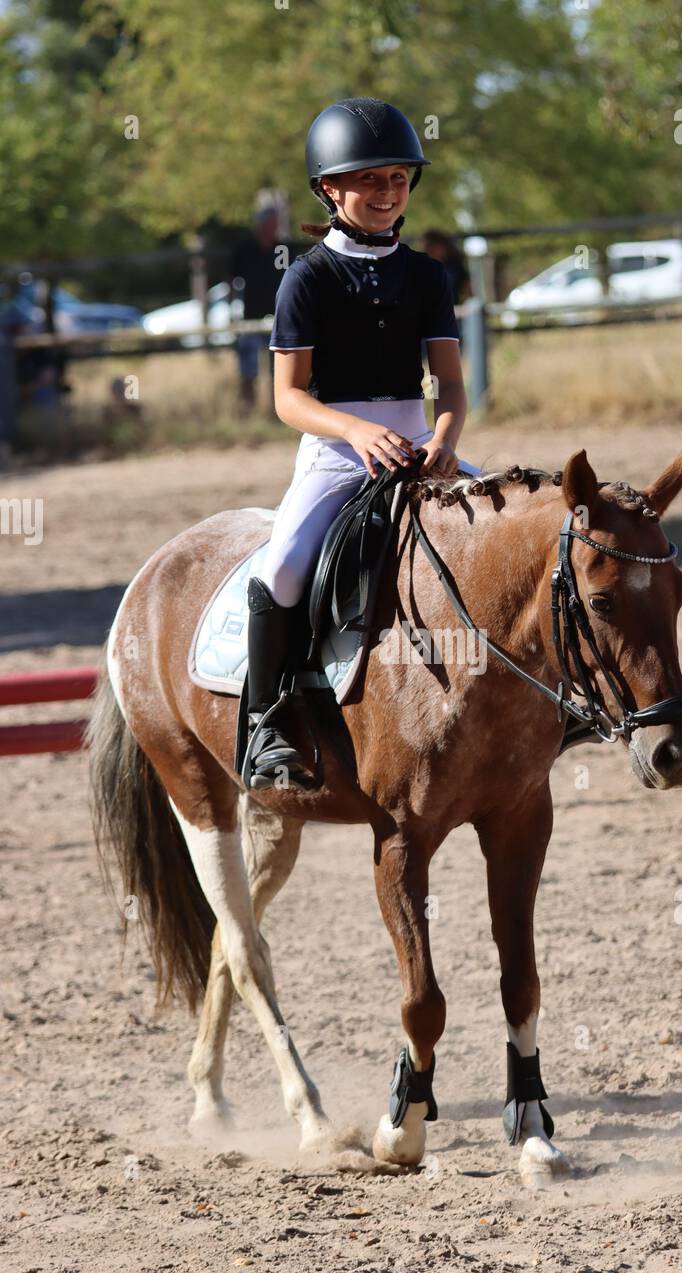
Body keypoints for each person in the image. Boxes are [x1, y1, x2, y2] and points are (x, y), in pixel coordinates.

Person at [242, 96, 481, 790]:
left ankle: (554, 701)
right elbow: (289, 398)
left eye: (398, 179)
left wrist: (443, 437)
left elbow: (452, 388)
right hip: (335, 451)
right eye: (370, 180)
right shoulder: (307, 277)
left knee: (516, 529)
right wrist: (354, 428)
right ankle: (269, 723)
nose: (386, 193)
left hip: (418, 444)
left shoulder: (427, 275)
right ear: (330, 188)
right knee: (284, 567)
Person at [229, 206, 284, 409]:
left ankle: (276, 409)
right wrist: (231, 310)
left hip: (277, 317)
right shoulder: (245, 249)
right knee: (248, 368)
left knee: (277, 369)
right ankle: (247, 408)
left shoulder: (281, 249)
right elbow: (232, 281)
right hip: (249, 316)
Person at [420, 230, 471, 346]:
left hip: (453, 314)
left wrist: (469, 307)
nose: (428, 250)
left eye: (430, 246)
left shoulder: (454, 266)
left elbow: (468, 289)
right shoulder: (422, 266)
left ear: (441, 246)